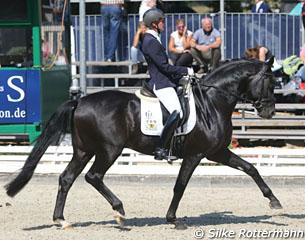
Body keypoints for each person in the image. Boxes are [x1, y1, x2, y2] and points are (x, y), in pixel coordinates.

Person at [141, 8, 194, 160]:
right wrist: (186, 71)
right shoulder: (150, 41)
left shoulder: (153, 39)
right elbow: (164, 67)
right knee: (178, 111)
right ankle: (161, 149)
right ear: (154, 24)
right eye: (161, 21)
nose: (164, 23)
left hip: (165, 79)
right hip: (161, 82)